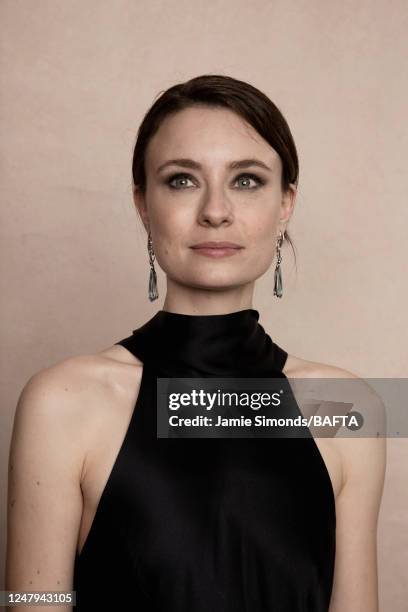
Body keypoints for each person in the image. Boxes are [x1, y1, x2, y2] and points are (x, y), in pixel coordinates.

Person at [6, 74, 386, 611]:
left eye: (247, 180)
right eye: (182, 180)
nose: (215, 210)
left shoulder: (349, 408)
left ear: (286, 204)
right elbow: (30, 602)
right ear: (142, 203)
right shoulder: (63, 402)